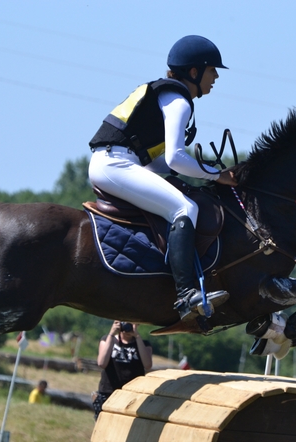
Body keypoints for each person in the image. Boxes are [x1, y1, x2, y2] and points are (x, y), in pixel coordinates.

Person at [88, 35, 236, 322]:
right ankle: (186, 295)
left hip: (116, 160)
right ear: (193, 72)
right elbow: (175, 158)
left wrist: (194, 175)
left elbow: (161, 162)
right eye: (211, 70)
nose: (216, 76)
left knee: (182, 196)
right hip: (115, 164)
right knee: (185, 208)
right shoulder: (178, 102)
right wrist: (217, 175)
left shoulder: (166, 95)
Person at [88, 321, 153, 442]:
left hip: (133, 398)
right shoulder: (107, 339)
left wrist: (137, 336)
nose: (127, 328)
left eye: (130, 324)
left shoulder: (143, 344)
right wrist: (111, 334)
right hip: (107, 396)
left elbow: (147, 365)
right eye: (125, 323)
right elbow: (101, 362)